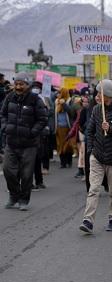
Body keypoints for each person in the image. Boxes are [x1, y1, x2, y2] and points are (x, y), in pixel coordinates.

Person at [79, 79, 112, 234]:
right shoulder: (95, 110)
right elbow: (90, 131)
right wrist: (91, 149)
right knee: (93, 189)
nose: (98, 97)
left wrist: (111, 129)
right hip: (97, 157)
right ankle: (88, 221)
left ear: (109, 94)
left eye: (100, 93)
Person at [1, 72, 48, 210]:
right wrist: (5, 127)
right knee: (8, 170)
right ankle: (14, 196)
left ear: (27, 85)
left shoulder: (35, 99)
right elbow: (2, 114)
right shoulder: (9, 97)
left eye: (21, 84)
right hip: (11, 142)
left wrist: (32, 132)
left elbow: (42, 119)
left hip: (29, 144)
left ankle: (23, 200)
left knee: (26, 174)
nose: (18, 86)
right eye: (16, 84)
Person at [55, 88, 74, 168]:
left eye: (60, 93)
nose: (58, 94)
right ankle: (63, 163)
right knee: (60, 144)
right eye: (58, 93)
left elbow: (71, 112)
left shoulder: (69, 101)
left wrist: (64, 104)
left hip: (68, 127)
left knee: (68, 145)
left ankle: (69, 161)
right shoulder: (56, 102)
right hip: (59, 126)